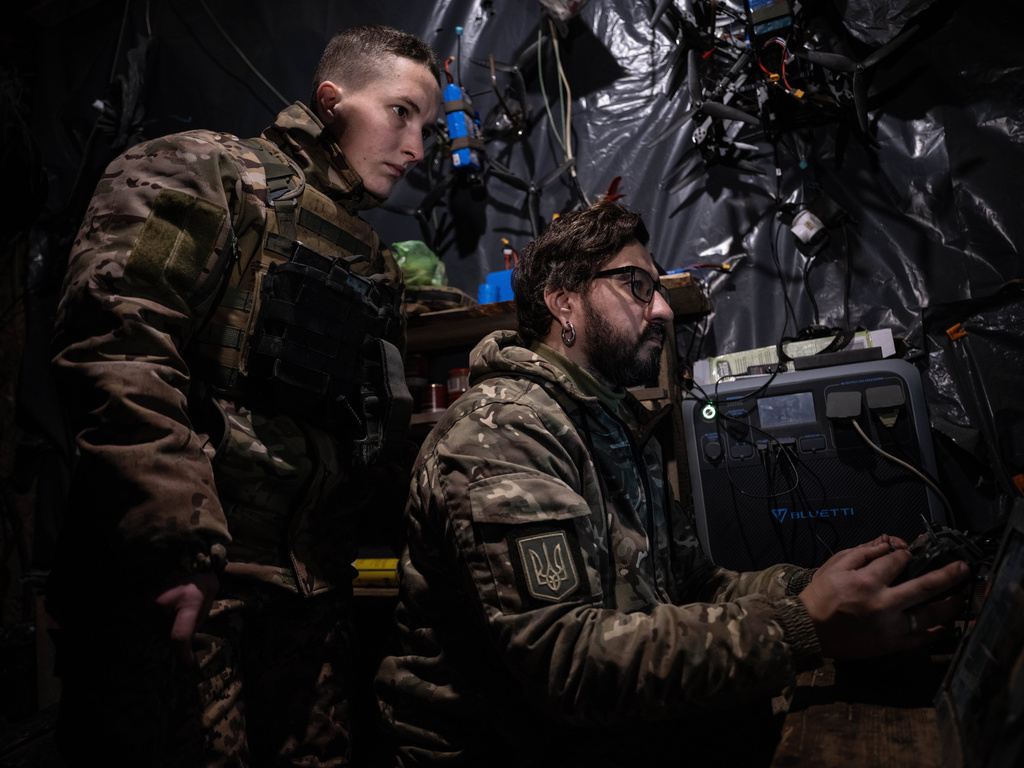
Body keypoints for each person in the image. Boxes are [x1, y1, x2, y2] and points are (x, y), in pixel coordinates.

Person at [374, 199, 969, 766]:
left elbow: (695, 584)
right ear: (564, 304)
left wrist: (819, 585)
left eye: (657, 288)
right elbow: (569, 663)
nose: (660, 308)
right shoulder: (502, 432)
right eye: (637, 284)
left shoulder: (610, 424)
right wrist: (804, 624)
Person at [47, 24, 441, 768]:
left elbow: (370, 433)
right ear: (331, 102)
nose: (417, 147)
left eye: (430, 126)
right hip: (191, 587)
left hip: (310, 602)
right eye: (400, 112)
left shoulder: (373, 263)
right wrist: (174, 539)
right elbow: (118, 341)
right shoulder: (203, 172)